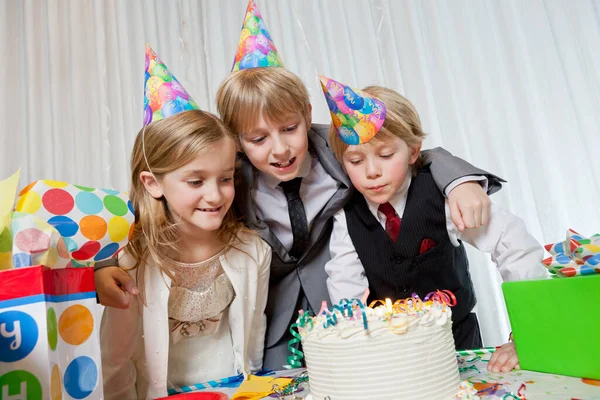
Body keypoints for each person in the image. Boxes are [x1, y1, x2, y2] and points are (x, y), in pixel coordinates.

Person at [96, 2, 504, 371]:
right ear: (237, 138)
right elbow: (154, 200)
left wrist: (460, 180)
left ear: (308, 114)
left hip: (357, 310)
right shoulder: (226, 178)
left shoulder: (344, 148)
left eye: (289, 128)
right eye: (257, 139)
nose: (279, 149)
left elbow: (406, 150)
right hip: (273, 323)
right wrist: (102, 264)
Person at [321, 79, 547, 373]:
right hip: (391, 360)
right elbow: (345, 287)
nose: (372, 171)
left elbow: (514, 245)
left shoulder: (443, 196)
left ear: (413, 152)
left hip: (459, 348)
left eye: (386, 155)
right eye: (355, 160)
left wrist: (528, 333)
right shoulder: (345, 216)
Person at [99, 46, 271, 400]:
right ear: (153, 183)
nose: (215, 195)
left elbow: (254, 337)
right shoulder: (130, 262)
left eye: (225, 178)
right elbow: (115, 361)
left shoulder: (252, 250)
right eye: (195, 182)